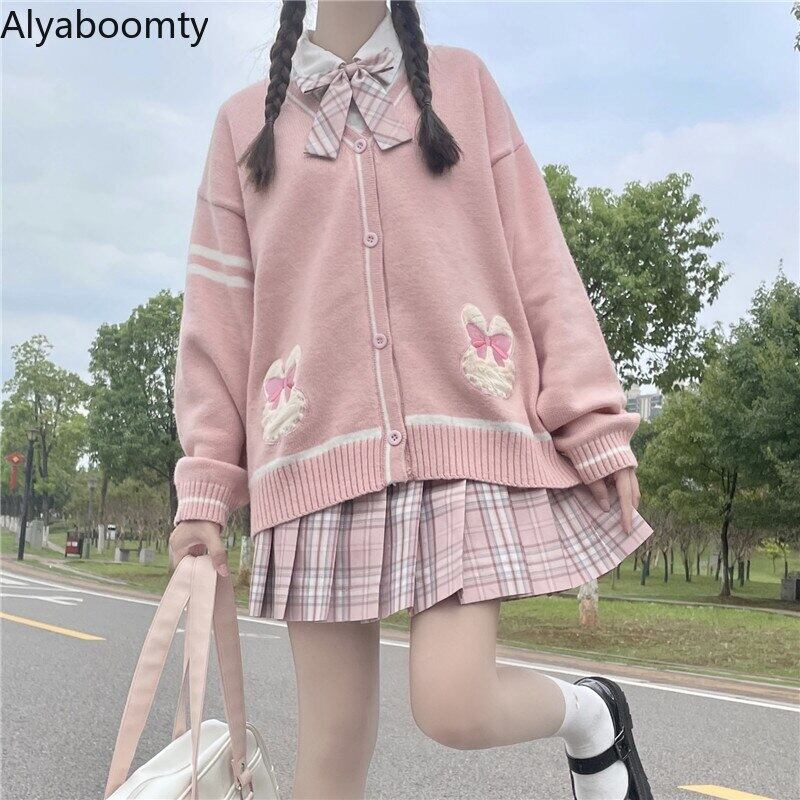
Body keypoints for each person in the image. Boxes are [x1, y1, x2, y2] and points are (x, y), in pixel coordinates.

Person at [168, 2, 655, 798]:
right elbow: (219, 318)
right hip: (312, 460)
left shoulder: (463, 85)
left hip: (461, 443)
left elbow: (539, 256)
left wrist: (593, 416)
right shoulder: (242, 127)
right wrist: (206, 487)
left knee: (454, 704)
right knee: (329, 751)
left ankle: (590, 713)